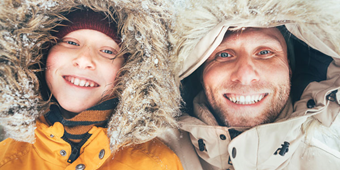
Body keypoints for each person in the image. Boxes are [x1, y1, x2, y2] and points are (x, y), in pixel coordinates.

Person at [0, 1, 183, 170]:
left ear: (130, 71)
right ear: (40, 54)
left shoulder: (156, 163)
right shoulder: (6, 159)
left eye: (107, 51)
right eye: (71, 42)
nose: (85, 59)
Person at [159, 0, 340, 169]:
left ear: (289, 69)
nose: (245, 76)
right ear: (200, 73)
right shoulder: (145, 156)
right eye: (223, 55)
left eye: (265, 52)